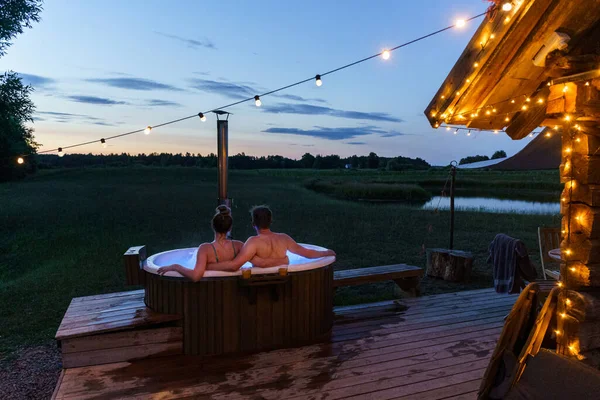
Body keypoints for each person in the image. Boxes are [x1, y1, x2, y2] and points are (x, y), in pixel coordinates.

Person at [157, 205, 288, 281]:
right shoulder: (239, 246)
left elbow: (196, 276)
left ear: (213, 226)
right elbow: (260, 263)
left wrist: (176, 266)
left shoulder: (205, 249)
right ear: (230, 228)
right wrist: (283, 260)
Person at [210, 205, 335, 271]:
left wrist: (208, 267)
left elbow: (234, 266)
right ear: (271, 221)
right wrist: (326, 252)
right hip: (283, 282)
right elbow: (307, 253)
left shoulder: (253, 242)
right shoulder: (284, 238)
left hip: (259, 284)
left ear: (253, 224)